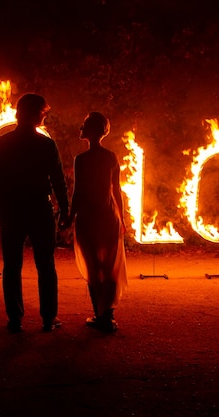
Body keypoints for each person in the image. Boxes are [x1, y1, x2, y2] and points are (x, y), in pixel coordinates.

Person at [0, 93, 70, 333]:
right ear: (36, 115)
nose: (44, 117)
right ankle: (48, 317)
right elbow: (58, 179)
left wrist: (0, 208)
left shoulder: (3, 143)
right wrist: (64, 209)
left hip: (12, 208)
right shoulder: (45, 144)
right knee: (45, 264)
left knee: (11, 265)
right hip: (38, 207)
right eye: (43, 113)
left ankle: (15, 318)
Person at [70, 112, 128, 332]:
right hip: (108, 216)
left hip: (89, 217)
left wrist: (69, 216)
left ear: (92, 130)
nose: (81, 128)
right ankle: (108, 315)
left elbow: (78, 192)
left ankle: (100, 315)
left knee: (94, 266)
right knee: (110, 266)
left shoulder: (81, 160)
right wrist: (121, 218)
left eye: (84, 125)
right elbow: (117, 190)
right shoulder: (111, 157)